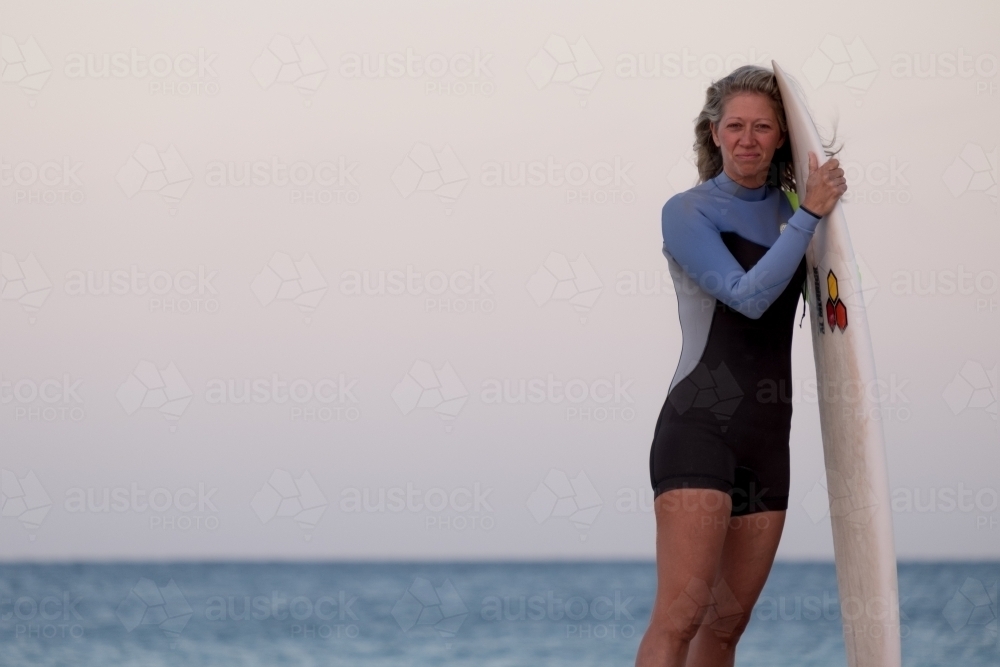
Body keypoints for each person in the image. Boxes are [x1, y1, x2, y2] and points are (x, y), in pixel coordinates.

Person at [635, 65, 846, 667]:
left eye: (762, 127)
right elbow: (747, 296)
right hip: (699, 427)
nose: (747, 139)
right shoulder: (687, 212)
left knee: (725, 630)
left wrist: (813, 215)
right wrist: (809, 214)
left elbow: (832, 306)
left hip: (766, 438)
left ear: (782, 136)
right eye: (735, 126)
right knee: (679, 619)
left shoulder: (797, 211)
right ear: (714, 132)